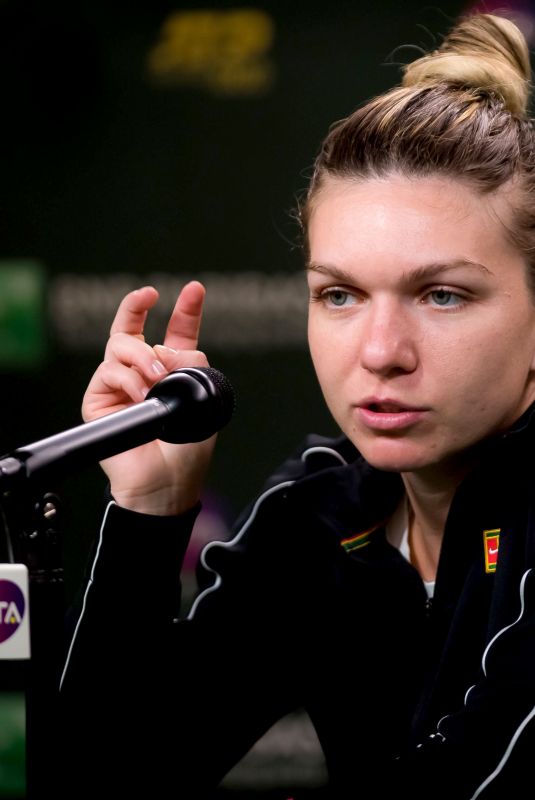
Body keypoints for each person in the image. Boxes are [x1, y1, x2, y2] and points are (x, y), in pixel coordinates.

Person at [59, 11, 535, 799]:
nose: (380, 349)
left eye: (441, 295)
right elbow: (106, 779)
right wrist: (150, 510)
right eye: (339, 294)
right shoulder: (321, 510)